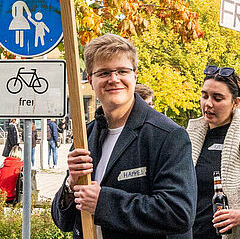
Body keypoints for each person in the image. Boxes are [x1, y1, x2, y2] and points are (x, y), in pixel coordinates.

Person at [52, 34, 195, 238]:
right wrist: (70, 186)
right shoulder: (85, 136)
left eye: (122, 71)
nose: (114, 79)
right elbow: (63, 222)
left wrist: (103, 203)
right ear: (91, 80)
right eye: (104, 73)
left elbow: (179, 212)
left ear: (135, 76)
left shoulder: (167, 136)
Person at [186, 65, 240, 239]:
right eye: (204, 96)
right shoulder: (187, 138)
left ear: (235, 102)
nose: (208, 104)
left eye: (217, 98)